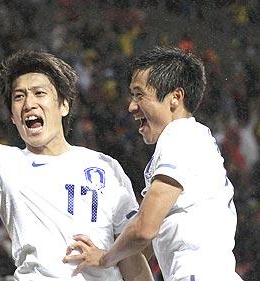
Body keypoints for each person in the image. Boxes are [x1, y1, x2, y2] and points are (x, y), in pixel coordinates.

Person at [0, 13, 153, 281]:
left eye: (39, 93)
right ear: (13, 116)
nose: (29, 103)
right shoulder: (6, 164)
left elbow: (132, 256)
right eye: (19, 97)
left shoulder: (105, 166)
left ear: (64, 105)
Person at [63, 47, 244, 281]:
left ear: (175, 99)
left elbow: (144, 229)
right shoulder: (192, 140)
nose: (131, 106)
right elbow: (146, 239)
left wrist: (104, 258)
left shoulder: (180, 135)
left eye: (139, 95)